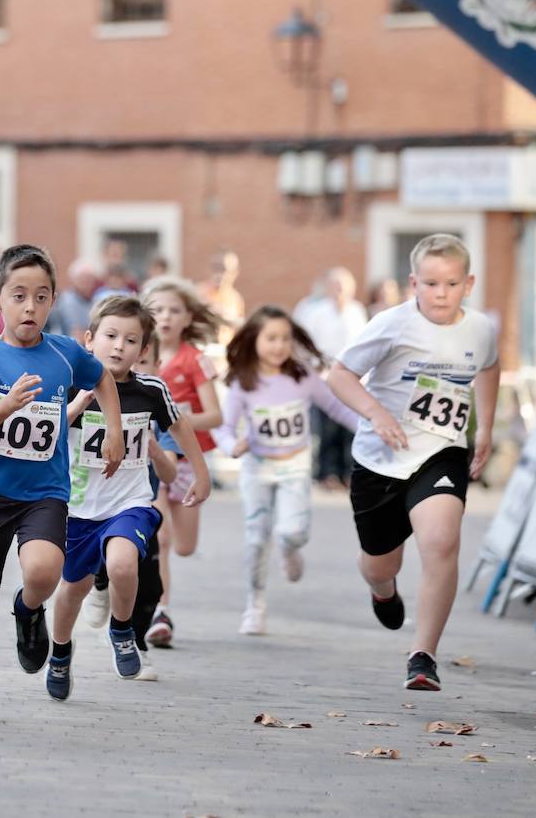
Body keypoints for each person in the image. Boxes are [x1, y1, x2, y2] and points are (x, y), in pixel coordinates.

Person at [0, 244, 126, 721]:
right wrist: (4, 407)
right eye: (19, 296)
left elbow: (104, 379)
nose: (31, 307)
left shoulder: (66, 353)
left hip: (44, 494)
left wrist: (112, 429)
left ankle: (29, 611)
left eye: (42, 297)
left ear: (53, 301)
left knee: (45, 572)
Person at [328, 233, 500, 691]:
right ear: (413, 284)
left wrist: (484, 427)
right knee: (380, 565)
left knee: (442, 541)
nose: (440, 293)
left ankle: (422, 656)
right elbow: (339, 374)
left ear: (469, 283)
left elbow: (489, 365)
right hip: (380, 458)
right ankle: (382, 591)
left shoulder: (480, 328)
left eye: (450, 283)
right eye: (430, 284)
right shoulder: (393, 324)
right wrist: (376, 413)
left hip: (441, 451)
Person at [46, 296, 209, 699]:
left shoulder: (151, 389)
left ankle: (122, 631)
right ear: (90, 340)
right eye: (111, 336)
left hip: (130, 501)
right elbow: (47, 435)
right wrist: (79, 403)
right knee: (73, 589)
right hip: (79, 507)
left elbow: (182, 426)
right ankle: (61, 652)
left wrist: (201, 473)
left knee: (122, 565)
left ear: (144, 350)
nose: (119, 346)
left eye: (131, 340)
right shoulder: (70, 382)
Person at [221, 305, 360, 635]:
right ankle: (254, 606)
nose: (279, 346)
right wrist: (231, 446)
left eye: (285, 338)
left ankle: (290, 548)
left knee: (292, 531)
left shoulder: (302, 377)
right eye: (271, 338)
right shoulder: (243, 382)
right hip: (256, 467)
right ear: (254, 340)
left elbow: (337, 408)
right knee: (256, 538)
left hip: (295, 467)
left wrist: (370, 428)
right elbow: (223, 427)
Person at [140, 276, 225, 647]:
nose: (166, 317)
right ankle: (160, 611)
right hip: (151, 455)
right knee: (161, 537)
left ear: (188, 317)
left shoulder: (194, 360)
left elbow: (216, 416)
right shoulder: (137, 351)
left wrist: (178, 417)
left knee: (185, 545)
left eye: (174, 310)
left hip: (189, 459)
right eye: (157, 310)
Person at [294, 268, 368, 489]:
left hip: (352, 376)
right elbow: (306, 344)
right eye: (335, 286)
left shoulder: (356, 311)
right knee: (327, 426)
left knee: (350, 427)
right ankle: (327, 473)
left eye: (343, 286)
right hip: (324, 375)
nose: (339, 291)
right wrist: (318, 370)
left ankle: (348, 472)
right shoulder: (316, 312)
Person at [49, 258, 100, 342]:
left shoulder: (96, 300)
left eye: (91, 278)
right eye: (83, 279)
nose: (88, 282)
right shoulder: (67, 301)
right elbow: (77, 335)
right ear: (74, 280)